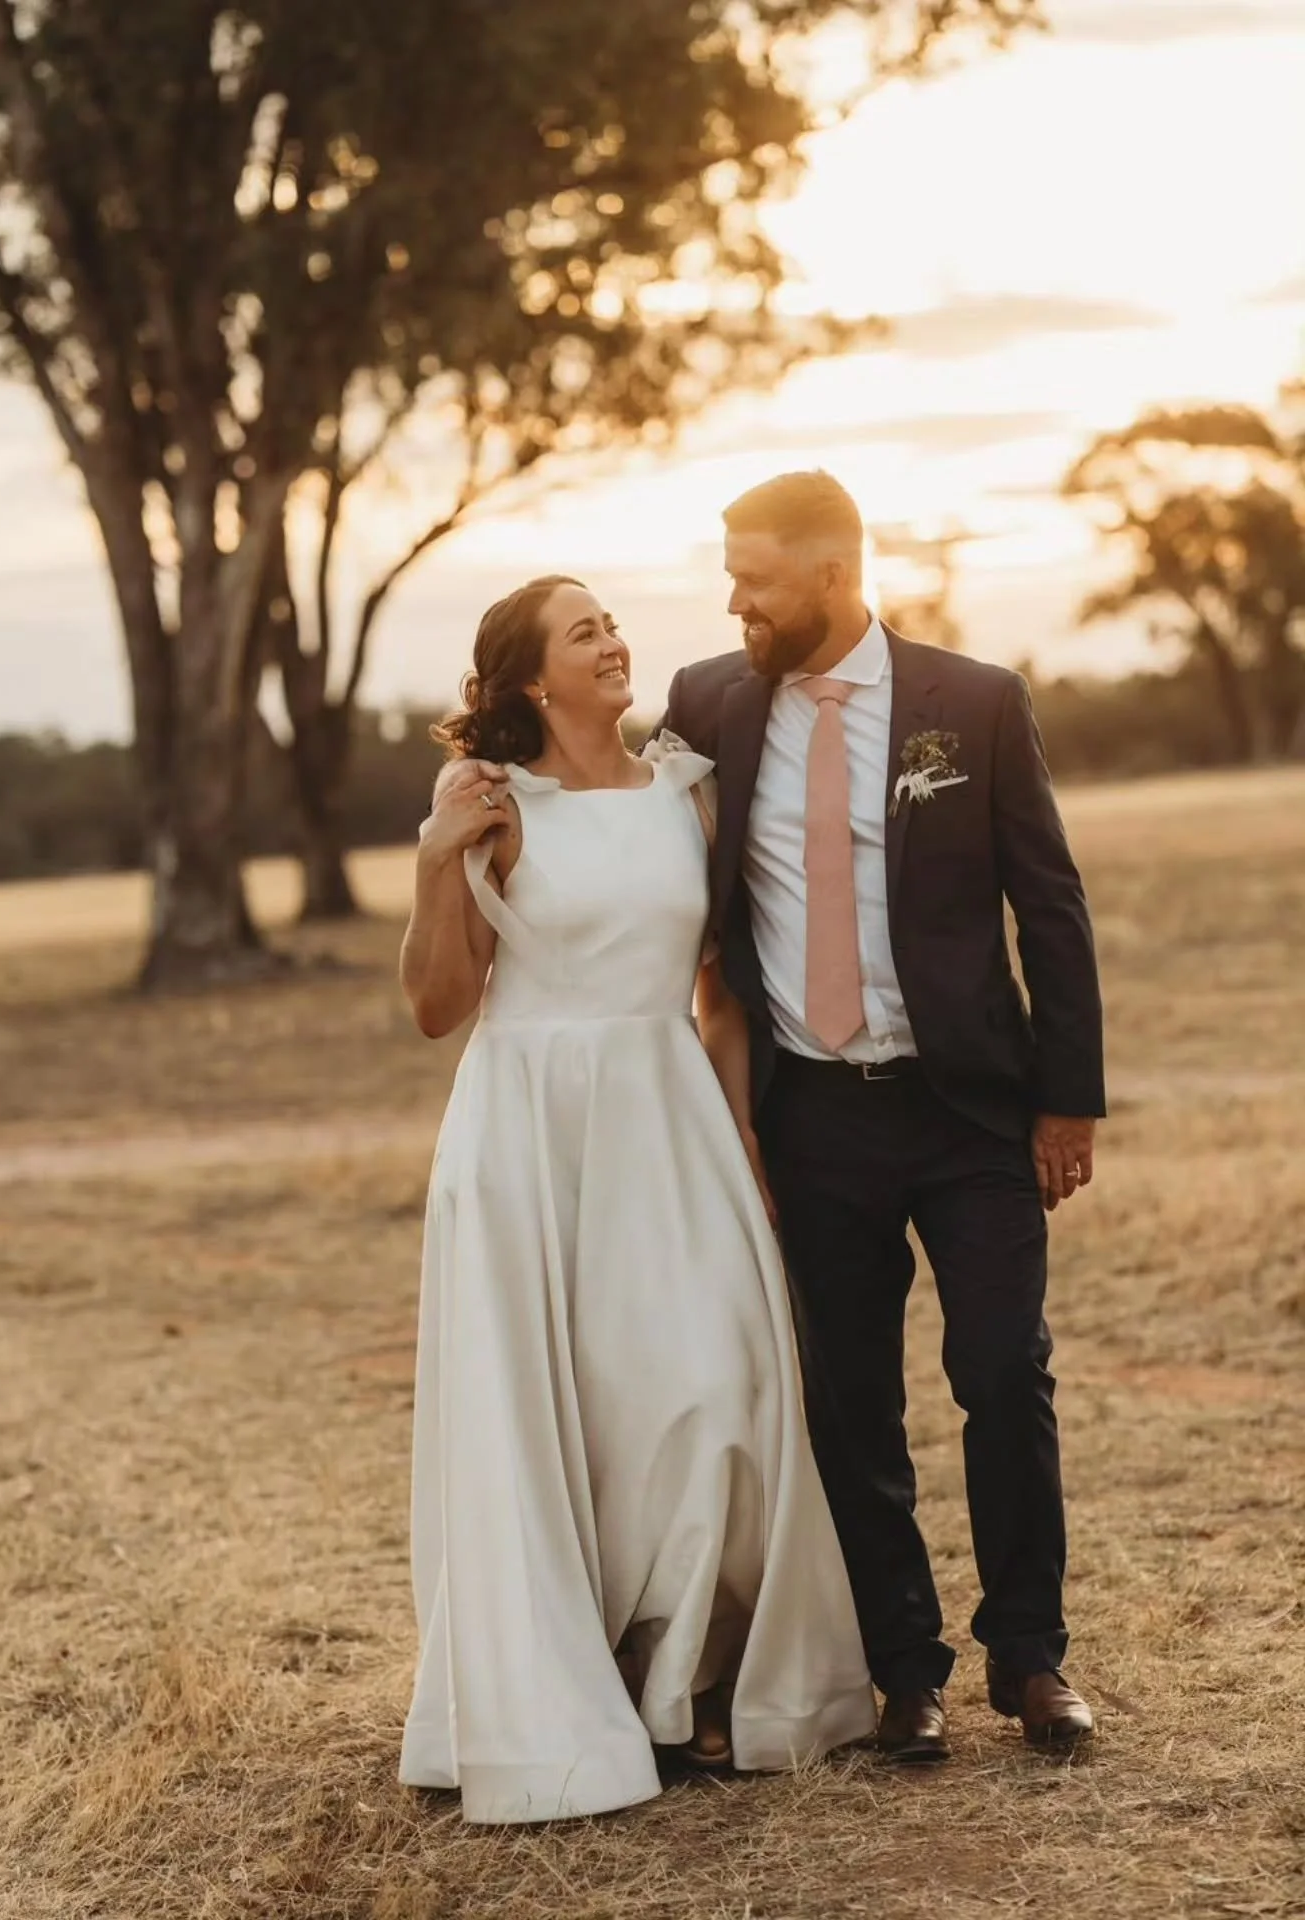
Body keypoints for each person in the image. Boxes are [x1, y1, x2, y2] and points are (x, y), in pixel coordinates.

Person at [398, 573, 875, 1825]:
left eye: (611, 622)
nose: (612, 642)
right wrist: (432, 865)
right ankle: (605, 1681)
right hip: (528, 1123)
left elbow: (718, 995)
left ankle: (700, 1675)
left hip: (670, 1114)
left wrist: (745, 1149)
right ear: (528, 683)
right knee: (572, 1411)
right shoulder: (497, 807)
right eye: (581, 633)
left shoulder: (688, 788)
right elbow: (439, 1006)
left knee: (719, 1384)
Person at [652, 470, 1106, 1759]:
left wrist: (1068, 1099)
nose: (733, 600)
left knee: (1002, 1371)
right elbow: (625, 821)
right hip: (814, 1117)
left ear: (834, 577)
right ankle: (904, 1669)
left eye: (756, 578)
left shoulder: (974, 702)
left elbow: (1051, 906)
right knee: (849, 1400)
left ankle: (1031, 1660)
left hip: (969, 1112)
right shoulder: (707, 705)